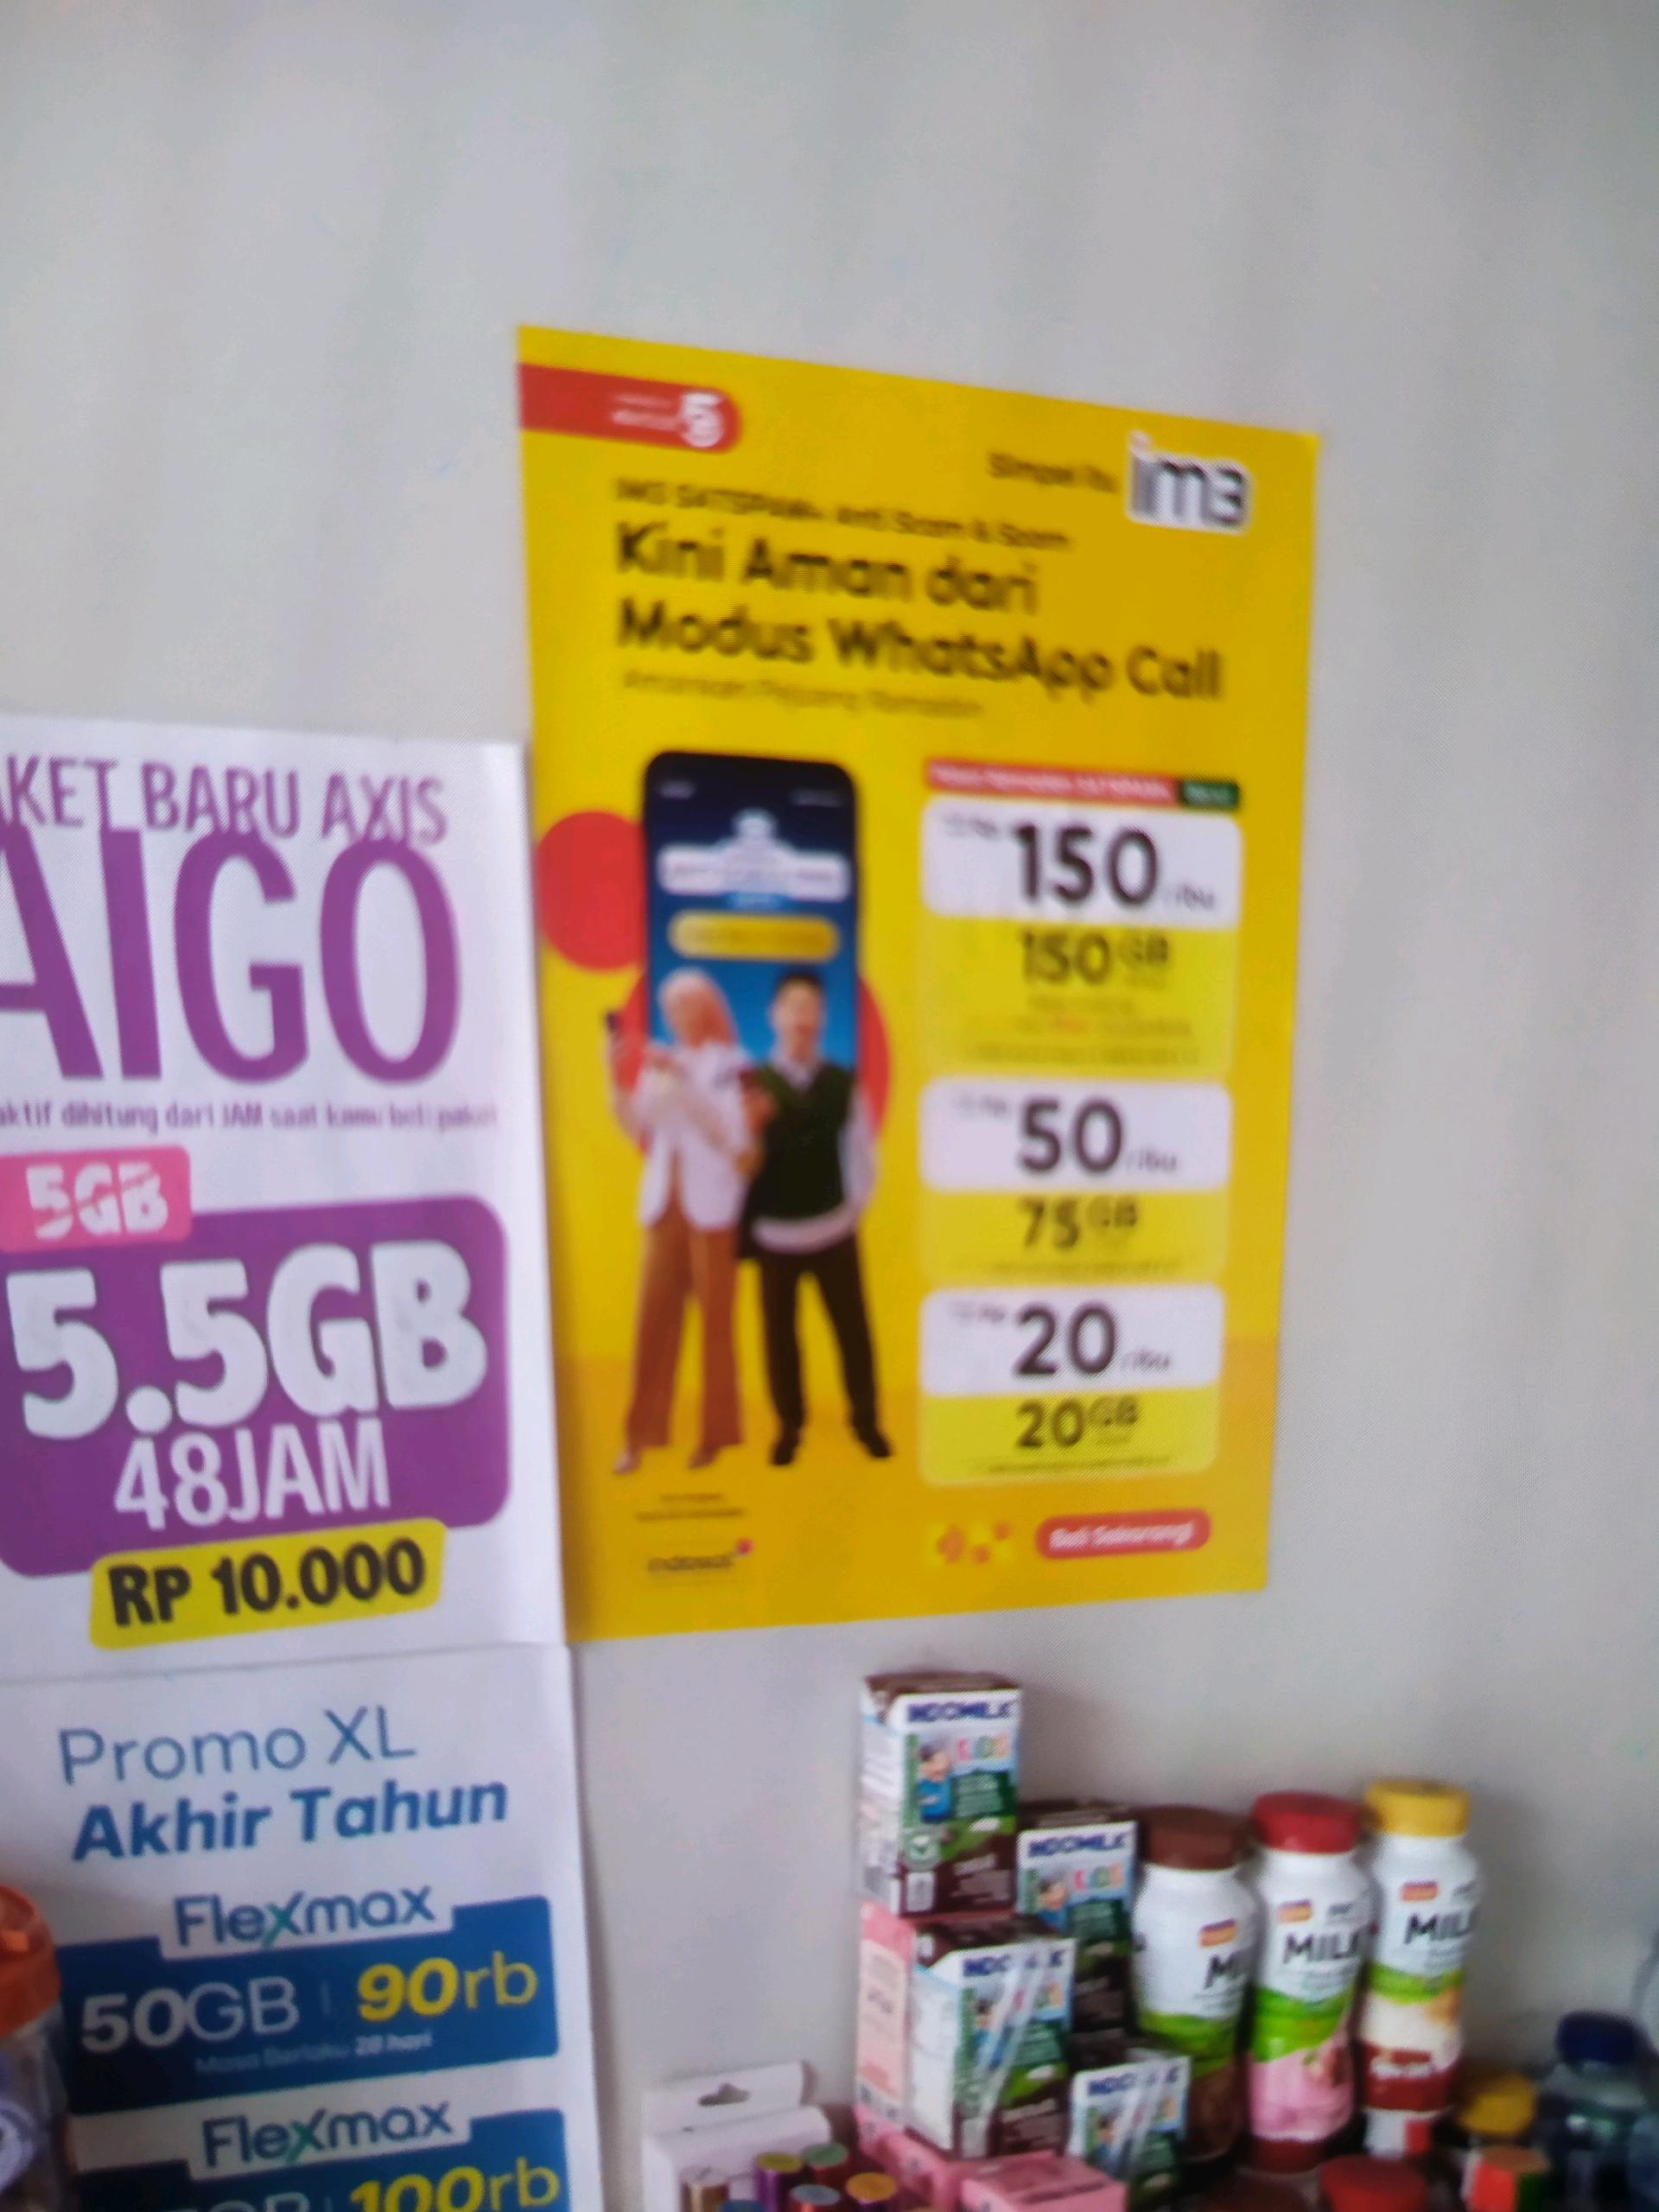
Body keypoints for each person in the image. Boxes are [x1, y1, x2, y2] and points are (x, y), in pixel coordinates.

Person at [608, 969, 755, 1471]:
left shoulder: (735, 1065)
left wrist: (685, 1083)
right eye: (670, 1008)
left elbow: (729, 1135)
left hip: (712, 1209)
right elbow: (637, 1126)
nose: (676, 1017)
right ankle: (639, 1435)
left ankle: (715, 1434)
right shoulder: (660, 1063)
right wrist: (615, 1076)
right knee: (652, 1320)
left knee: (715, 1324)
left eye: (686, 1005)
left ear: (708, 1008)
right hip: (663, 1204)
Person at [747, 967, 890, 1465]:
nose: (802, 1017)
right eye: (793, 1007)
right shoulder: (751, 1084)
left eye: (811, 1007)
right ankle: (789, 1427)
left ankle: (866, 1421)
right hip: (775, 1237)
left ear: (823, 1017)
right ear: (774, 1015)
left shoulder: (842, 1083)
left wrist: (849, 1212)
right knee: (780, 1341)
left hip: (835, 1232)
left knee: (854, 1334)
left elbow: (862, 1155)